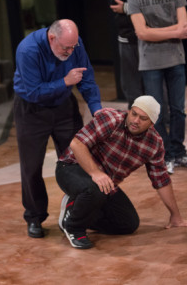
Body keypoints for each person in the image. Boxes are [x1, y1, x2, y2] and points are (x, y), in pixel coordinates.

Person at [56, 95, 187, 249]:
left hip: (104, 183)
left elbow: (161, 180)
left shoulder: (154, 144)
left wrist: (175, 216)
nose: (135, 120)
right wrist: (95, 173)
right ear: (129, 111)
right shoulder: (111, 119)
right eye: (134, 114)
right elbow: (77, 144)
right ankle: (73, 227)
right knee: (94, 189)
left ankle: (74, 208)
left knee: (128, 224)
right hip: (71, 166)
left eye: (143, 118)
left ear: (152, 123)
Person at [13, 19, 102, 238]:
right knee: (31, 166)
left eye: (73, 47)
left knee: (77, 159)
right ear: (52, 38)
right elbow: (33, 91)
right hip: (32, 110)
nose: (71, 51)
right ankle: (34, 217)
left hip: (63, 106)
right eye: (66, 48)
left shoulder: (74, 43)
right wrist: (64, 81)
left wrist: (97, 109)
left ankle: (78, 213)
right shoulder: (28, 50)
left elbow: (86, 77)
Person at [127, 0, 187, 174]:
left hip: (176, 58)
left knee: (178, 108)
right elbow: (142, 33)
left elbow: (183, 27)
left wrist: (155, 32)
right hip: (150, 61)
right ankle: (165, 154)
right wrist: (174, 32)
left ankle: (179, 151)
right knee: (156, 112)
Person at [109, 0, 144, 108]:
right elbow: (115, 3)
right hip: (128, 40)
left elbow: (152, 7)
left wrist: (126, 7)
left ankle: (160, 121)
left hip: (151, 40)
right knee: (131, 86)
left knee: (154, 84)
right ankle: (136, 118)